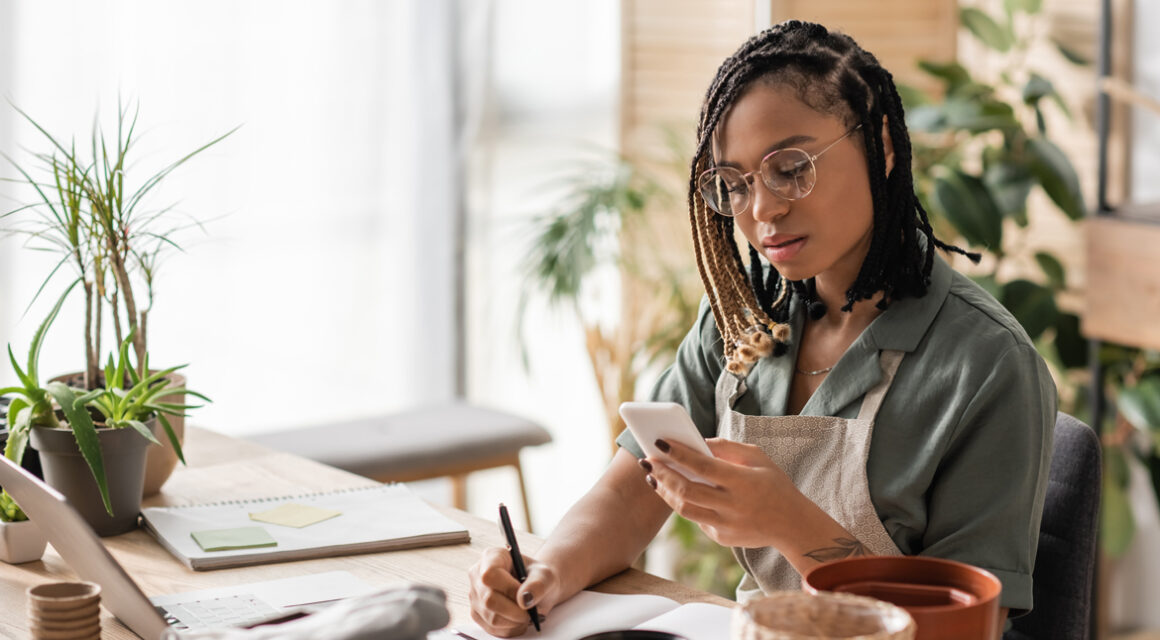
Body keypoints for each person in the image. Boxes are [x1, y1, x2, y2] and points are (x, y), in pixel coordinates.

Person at [468, 20, 1055, 636]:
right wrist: (549, 571)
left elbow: (963, 631)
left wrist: (790, 523)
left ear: (881, 145)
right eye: (734, 184)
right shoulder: (744, 315)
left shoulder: (988, 364)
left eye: (791, 167)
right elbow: (633, 491)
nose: (762, 210)